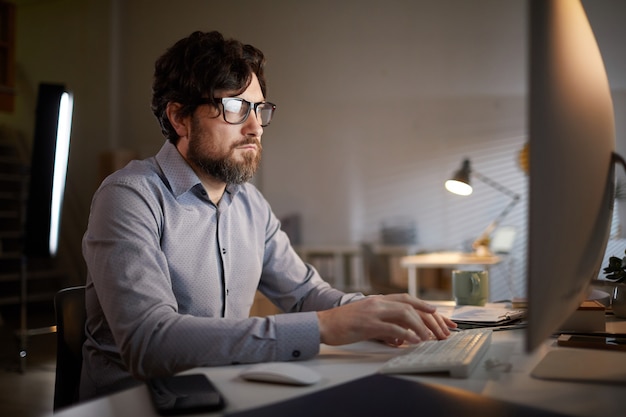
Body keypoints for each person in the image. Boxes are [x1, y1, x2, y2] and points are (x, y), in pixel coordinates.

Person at [79, 30, 455, 401]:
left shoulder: (250, 204)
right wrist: (323, 327)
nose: (255, 127)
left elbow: (305, 294)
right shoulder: (129, 197)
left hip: (225, 393)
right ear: (179, 117)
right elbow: (151, 342)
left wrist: (374, 312)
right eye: (234, 107)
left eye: (259, 108)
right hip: (134, 406)